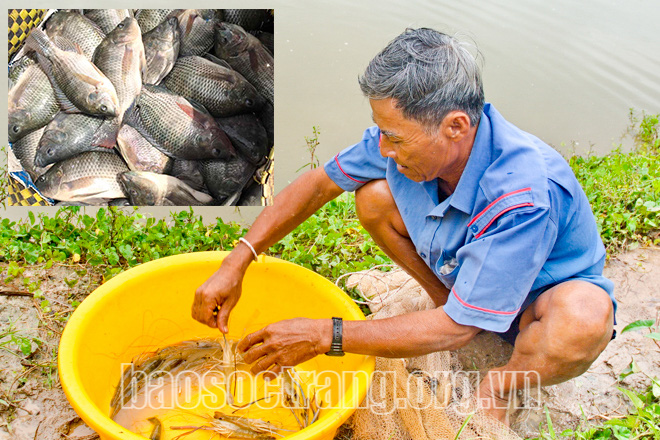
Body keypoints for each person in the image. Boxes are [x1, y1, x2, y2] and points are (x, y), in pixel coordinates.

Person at [192, 28, 616, 423]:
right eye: (381, 131)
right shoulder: (401, 142)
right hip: (466, 282)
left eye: (394, 137)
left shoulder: (523, 195)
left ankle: (504, 382)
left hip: (533, 304)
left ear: (455, 127)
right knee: (373, 197)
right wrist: (238, 260)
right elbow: (318, 184)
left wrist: (326, 335)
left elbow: (460, 328)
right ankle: (443, 297)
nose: (382, 147)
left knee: (584, 318)